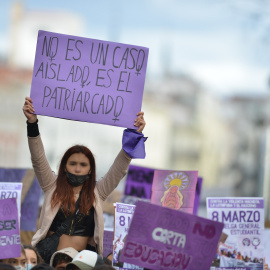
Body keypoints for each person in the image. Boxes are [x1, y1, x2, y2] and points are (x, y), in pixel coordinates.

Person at [22, 97, 147, 263]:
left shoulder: (98, 192)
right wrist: (32, 123)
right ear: (65, 166)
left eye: (83, 164)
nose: (77, 168)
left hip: (81, 264)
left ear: (90, 169)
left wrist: (134, 134)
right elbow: (38, 158)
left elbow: (119, 169)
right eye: (73, 163)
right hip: (48, 260)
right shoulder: (51, 185)